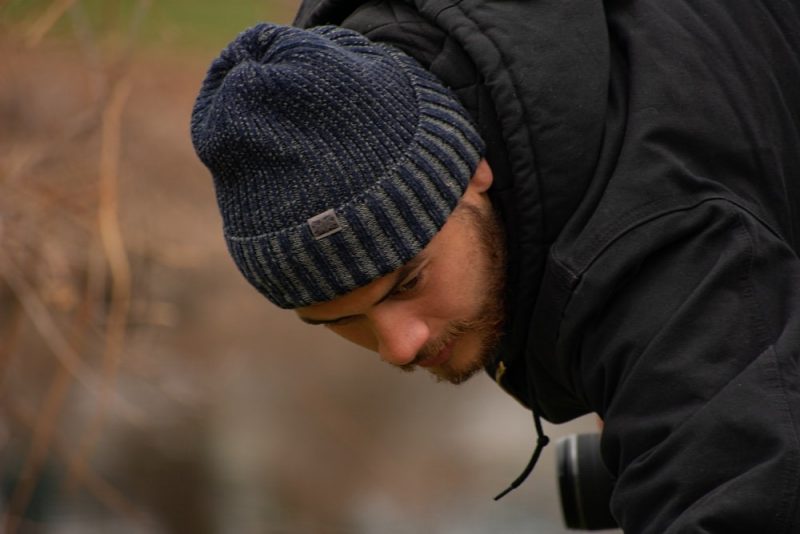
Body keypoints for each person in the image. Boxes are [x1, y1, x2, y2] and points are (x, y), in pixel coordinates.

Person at [190, 0, 800, 531]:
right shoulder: (362, 63)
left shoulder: (653, 250)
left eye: (409, 281)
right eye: (341, 321)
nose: (398, 348)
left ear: (475, 166)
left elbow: (739, 497)